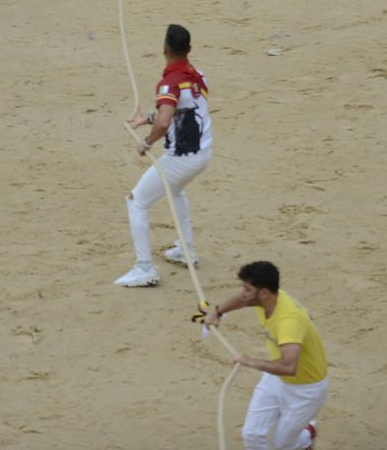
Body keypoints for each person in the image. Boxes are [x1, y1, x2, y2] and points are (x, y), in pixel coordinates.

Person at [116, 23, 212, 288]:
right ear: (188, 49)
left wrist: (146, 142)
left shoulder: (170, 82)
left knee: (136, 201)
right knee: (176, 191)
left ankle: (144, 268)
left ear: (164, 50)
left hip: (181, 158)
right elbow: (178, 112)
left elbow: (164, 122)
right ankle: (186, 249)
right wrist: (146, 118)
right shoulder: (196, 75)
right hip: (202, 154)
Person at [205, 260, 329, 450]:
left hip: (306, 390)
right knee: (251, 435)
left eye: (246, 288)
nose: (242, 292)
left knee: (284, 445)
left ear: (263, 293)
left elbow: (289, 366)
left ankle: (308, 434)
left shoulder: (289, 320)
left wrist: (249, 361)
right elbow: (241, 299)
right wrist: (217, 311)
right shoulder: (266, 299)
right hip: (276, 378)